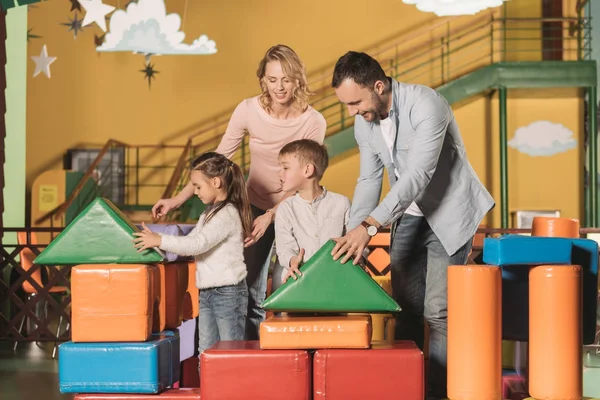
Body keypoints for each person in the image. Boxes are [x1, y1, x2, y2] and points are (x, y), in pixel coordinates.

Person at [329, 51, 494, 400]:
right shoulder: (364, 122)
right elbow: (369, 179)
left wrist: (371, 227)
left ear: (378, 85)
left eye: (355, 102)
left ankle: (438, 393)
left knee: (438, 311)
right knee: (403, 307)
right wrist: (354, 231)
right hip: (409, 215)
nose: (352, 112)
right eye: (346, 105)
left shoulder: (427, 104)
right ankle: (410, 389)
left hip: (450, 213)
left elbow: (418, 174)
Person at [151, 45, 327, 340]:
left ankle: (284, 355)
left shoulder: (313, 121)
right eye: (272, 80)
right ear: (262, 80)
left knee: (286, 285)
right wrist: (177, 199)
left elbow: (302, 181)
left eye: (286, 79)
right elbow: (216, 161)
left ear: (298, 79)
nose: (279, 87)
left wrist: (273, 215)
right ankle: (248, 359)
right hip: (254, 206)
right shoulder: (249, 110)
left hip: (293, 210)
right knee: (251, 289)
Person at [133, 152, 253, 359]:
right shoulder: (208, 213)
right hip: (207, 292)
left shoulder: (227, 213)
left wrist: (159, 240)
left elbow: (198, 244)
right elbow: (191, 241)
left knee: (230, 352)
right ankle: (209, 390)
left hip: (228, 294)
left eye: (198, 186)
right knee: (205, 352)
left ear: (216, 182)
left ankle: (231, 391)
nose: (195, 192)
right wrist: (156, 239)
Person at [271, 139, 351, 291]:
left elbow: (352, 241)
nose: (279, 173)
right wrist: (293, 260)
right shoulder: (285, 208)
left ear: (307, 170)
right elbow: (284, 247)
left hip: (335, 284)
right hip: (297, 284)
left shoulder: (342, 203)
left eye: (285, 168)